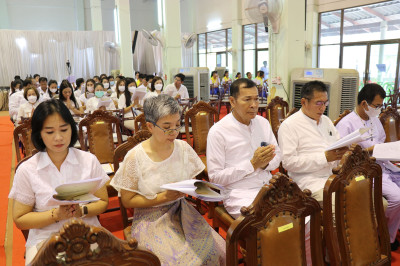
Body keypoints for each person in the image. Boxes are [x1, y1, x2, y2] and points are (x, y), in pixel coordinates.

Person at [111, 95, 225, 264]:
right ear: (150, 126)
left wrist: (202, 190)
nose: (174, 132)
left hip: (182, 211)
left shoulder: (183, 148)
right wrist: (162, 197)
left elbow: (193, 181)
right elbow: (127, 200)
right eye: (167, 127)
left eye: (177, 125)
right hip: (150, 219)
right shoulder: (136, 157)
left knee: (219, 251)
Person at [9, 99, 109, 265]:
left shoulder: (88, 160)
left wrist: (81, 210)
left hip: (88, 235)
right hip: (47, 239)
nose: (58, 138)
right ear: (39, 134)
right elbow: (20, 218)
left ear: (72, 128)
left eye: (64, 129)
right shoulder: (28, 170)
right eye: (49, 132)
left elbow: (103, 202)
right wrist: (56, 215)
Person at [335, 83, 400, 250]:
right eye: (377, 106)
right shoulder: (346, 124)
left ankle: (391, 229)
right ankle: (384, 235)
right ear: (364, 104)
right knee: (397, 198)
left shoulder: (374, 120)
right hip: (363, 171)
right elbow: (341, 156)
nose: (379, 110)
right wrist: (370, 151)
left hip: (383, 164)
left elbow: (381, 140)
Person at [207, 78, 281, 218]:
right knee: (269, 224)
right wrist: (252, 165)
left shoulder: (263, 123)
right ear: (232, 101)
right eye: (247, 100)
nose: (254, 105)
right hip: (239, 193)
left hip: (268, 187)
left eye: (256, 99)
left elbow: (277, 156)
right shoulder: (218, 131)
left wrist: (265, 163)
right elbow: (215, 178)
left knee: (301, 220)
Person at [278, 81, 348, 203]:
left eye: (325, 103)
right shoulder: (290, 125)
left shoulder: (326, 121)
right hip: (309, 181)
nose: (323, 108)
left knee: (371, 199)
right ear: (304, 102)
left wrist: (343, 153)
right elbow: (288, 162)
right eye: (318, 103)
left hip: (334, 176)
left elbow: (338, 144)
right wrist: (324, 158)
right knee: (342, 205)